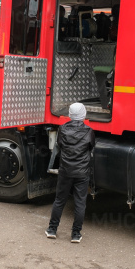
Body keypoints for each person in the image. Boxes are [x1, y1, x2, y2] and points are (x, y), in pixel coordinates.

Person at [45, 102, 95, 243]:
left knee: (60, 200)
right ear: (83, 114)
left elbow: (60, 145)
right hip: (82, 172)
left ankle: (52, 230)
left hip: (65, 171)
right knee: (80, 203)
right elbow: (91, 147)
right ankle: (75, 234)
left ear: (70, 115)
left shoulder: (63, 129)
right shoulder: (89, 131)